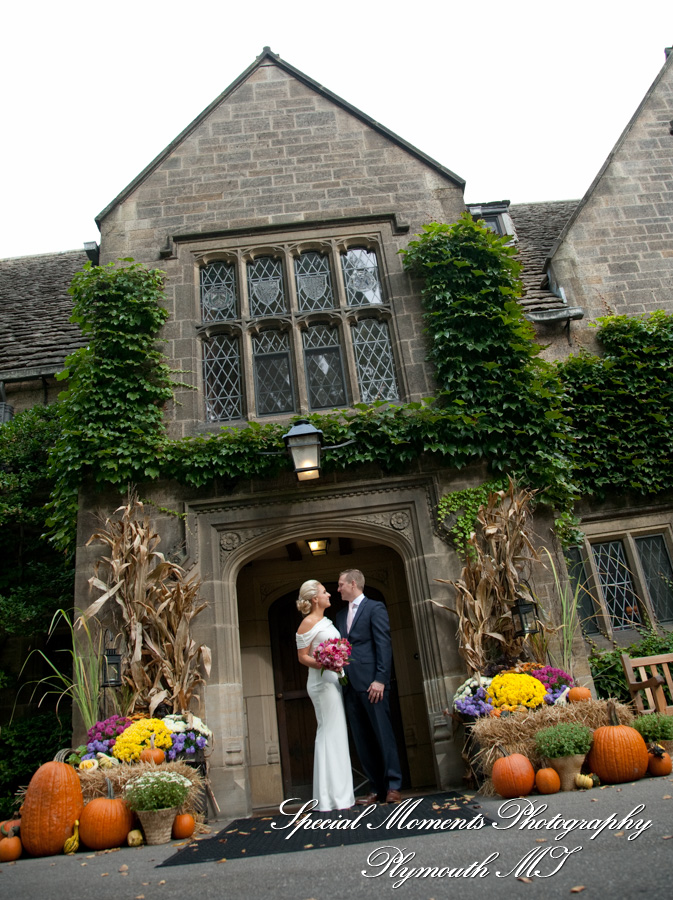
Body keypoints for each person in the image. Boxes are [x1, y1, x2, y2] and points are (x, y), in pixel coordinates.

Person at [336, 568, 402, 805]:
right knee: (362, 739)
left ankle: (394, 785)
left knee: (383, 735)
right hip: (350, 685)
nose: (338, 588)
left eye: (341, 584)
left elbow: (383, 644)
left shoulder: (375, 608)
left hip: (374, 685)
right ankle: (376, 788)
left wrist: (381, 679)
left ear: (353, 584)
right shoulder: (340, 616)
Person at [295, 579, 355, 811]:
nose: (329, 594)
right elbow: (302, 656)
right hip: (321, 684)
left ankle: (341, 795)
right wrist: (325, 663)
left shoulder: (326, 621)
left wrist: (337, 661)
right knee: (329, 733)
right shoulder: (307, 623)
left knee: (337, 734)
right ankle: (328, 798)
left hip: (333, 680)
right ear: (314, 599)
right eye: (324, 592)